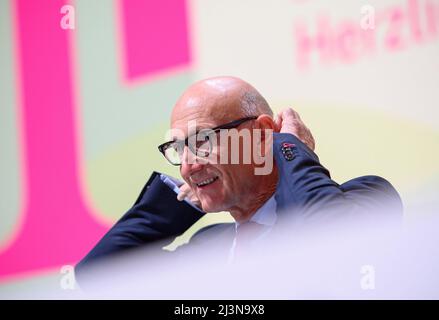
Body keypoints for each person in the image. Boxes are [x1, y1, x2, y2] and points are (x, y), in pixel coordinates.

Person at [75, 76, 402, 278]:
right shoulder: (208, 249)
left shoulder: (368, 196)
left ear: (261, 135)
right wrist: (179, 207)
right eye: (178, 149)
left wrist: (287, 147)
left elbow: (329, 241)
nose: (188, 166)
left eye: (202, 141)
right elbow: (101, 277)